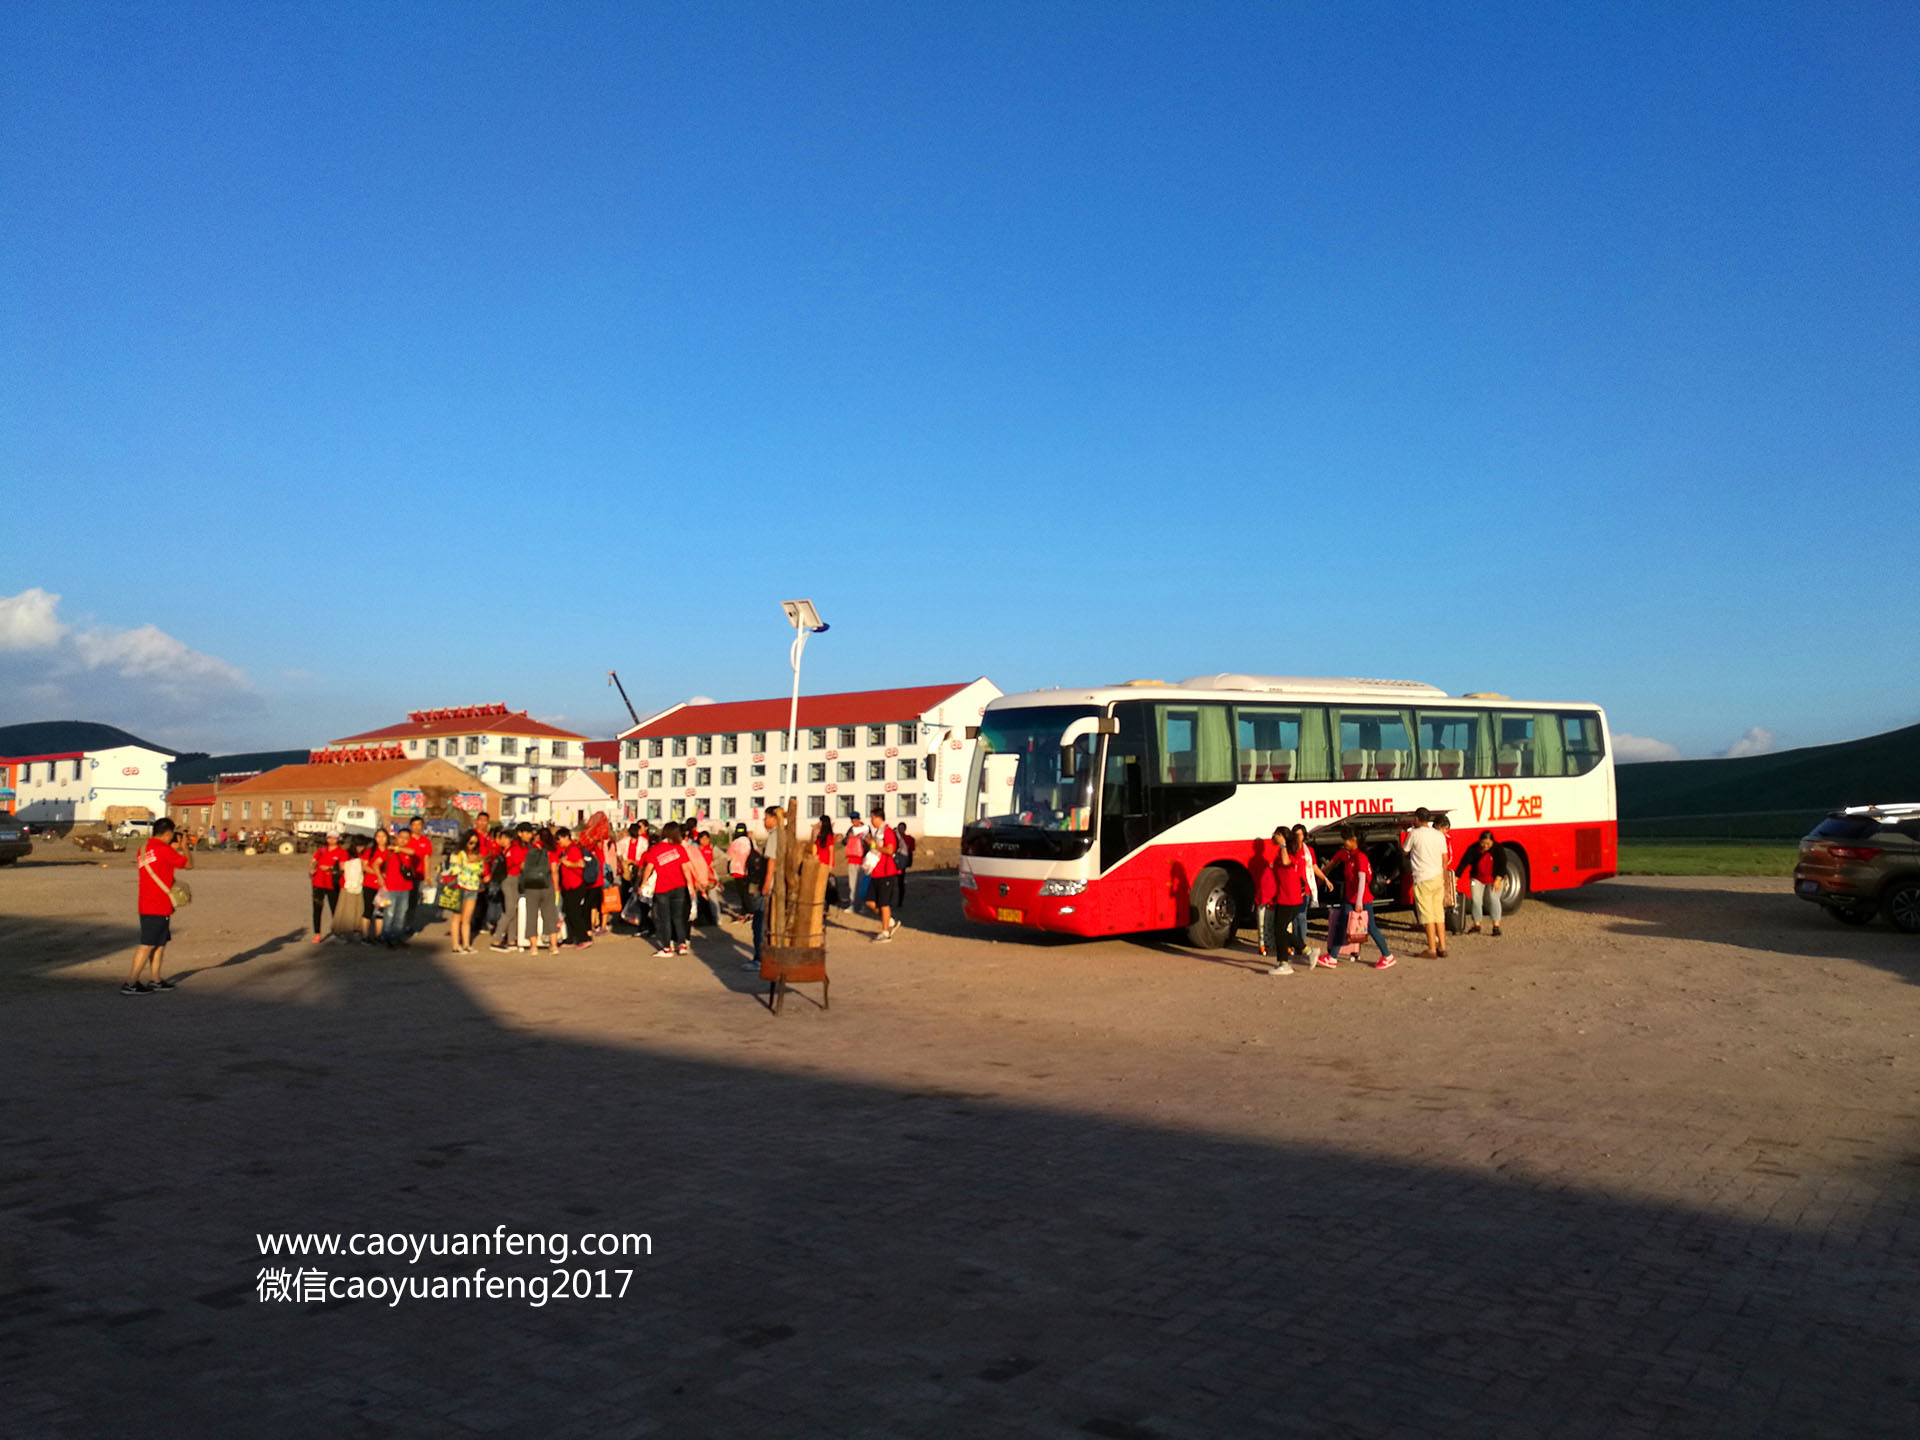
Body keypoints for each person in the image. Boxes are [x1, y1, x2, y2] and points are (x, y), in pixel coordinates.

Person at [124, 817, 192, 993]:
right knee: (147, 944)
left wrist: (171, 848)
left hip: (146, 901)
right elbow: (188, 864)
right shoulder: (164, 850)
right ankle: (131, 982)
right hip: (159, 903)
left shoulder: (143, 849)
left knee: (159, 943)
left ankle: (156, 978)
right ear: (168, 834)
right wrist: (184, 848)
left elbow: (159, 863)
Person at [1317, 827, 1395, 970]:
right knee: (1341, 924)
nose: (1344, 842)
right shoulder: (1345, 855)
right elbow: (1329, 866)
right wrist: (1319, 879)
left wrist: (1359, 902)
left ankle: (1387, 956)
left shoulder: (1360, 857)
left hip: (1362, 899)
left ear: (1354, 841)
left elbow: (1362, 880)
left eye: (1346, 840)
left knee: (1370, 927)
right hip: (1350, 897)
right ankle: (1332, 957)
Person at [1268, 830, 1328, 975]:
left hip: (1290, 898)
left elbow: (1286, 862)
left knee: (1280, 930)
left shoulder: (1291, 853)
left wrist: (1282, 845)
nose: (1273, 836)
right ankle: (1300, 954)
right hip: (1284, 896)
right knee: (1279, 930)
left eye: (1277, 834)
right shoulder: (1283, 852)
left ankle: (1287, 962)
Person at [639, 821, 694, 957]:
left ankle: (667, 948)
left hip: (663, 888)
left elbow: (649, 868)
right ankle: (681, 945)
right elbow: (686, 869)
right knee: (678, 917)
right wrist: (690, 886)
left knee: (665, 919)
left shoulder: (656, 849)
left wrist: (643, 884)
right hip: (679, 886)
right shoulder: (679, 849)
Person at [1402, 807, 1451, 960]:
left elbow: (1404, 851)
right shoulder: (1438, 835)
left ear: (1416, 819)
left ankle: (1431, 949)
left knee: (1427, 914)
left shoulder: (1414, 834)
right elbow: (1444, 859)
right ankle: (1442, 947)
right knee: (1439, 913)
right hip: (1437, 877)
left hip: (1423, 878)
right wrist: (1444, 879)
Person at [747, 807, 781, 969]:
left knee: (760, 922)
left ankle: (760, 958)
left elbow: (772, 861)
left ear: (774, 818)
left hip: (770, 885)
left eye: (766, 817)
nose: (764, 821)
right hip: (778, 885)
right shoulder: (782, 834)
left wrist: (766, 884)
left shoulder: (775, 835)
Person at [516, 826, 561, 952]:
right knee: (550, 915)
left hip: (531, 886)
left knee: (532, 915)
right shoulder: (551, 850)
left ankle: (533, 947)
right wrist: (556, 888)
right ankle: (553, 946)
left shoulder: (530, 848)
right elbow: (554, 870)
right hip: (548, 885)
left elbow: (522, 866)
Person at [1456, 830, 1507, 936]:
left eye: (1488, 844)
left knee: (1493, 899)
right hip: (1477, 878)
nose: (1485, 846)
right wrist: (1457, 876)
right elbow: (1464, 862)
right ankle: (1476, 924)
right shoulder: (1473, 849)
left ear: (1492, 842)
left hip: (1494, 878)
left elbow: (1503, 865)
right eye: (1483, 843)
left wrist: (1498, 879)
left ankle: (1496, 925)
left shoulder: (1498, 849)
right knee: (1476, 900)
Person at [370, 828, 413, 948]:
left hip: (405, 888)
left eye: (406, 838)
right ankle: (387, 937)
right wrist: (379, 877)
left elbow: (413, 852)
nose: (403, 840)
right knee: (389, 913)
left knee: (401, 914)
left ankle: (397, 936)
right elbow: (375, 864)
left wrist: (397, 849)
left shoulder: (404, 852)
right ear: (396, 838)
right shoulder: (388, 852)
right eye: (401, 837)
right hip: (391, 888)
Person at [491, 822, 531, 949]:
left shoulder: (517, 848)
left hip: (514, 879)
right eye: (527, 833)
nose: (530, 835)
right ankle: (497, 938)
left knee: (514, 909)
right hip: (509, 880)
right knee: (509, 910)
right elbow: (521, 864)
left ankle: (511, 939)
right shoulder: (513, 849)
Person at [865, 808, 902, 942]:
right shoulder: (877, 833)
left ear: (878, 817)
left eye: (872, 818)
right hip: (875, 871)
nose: (871, 821)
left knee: (884, 902)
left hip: (886, 872)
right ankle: (889, 919)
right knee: (870, 902)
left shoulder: (887, 832)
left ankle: (885, 932)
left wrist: (873, 845)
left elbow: (889, 850)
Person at [555, 825, 594, 949]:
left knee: (574, 912)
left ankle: (584, 937)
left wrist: (568, 863)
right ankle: (571, 938)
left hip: (576, 885)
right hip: (568, 885)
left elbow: (581, 864)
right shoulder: (566, 850)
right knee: (568, 911)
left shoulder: (573, 850)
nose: (558, 841)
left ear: (566, 837)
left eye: (559, 839)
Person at [447, 831, 485, 953]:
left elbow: (481, 870)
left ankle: (466, 944)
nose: (472, 845)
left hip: (473, 887)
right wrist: (467, 862)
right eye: (470, 843)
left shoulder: (477, 855)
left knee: (467, 918)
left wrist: (478, 861)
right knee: (457, 917)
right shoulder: (458, 854)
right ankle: (455, 945)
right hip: (460, 887)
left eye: (475, 843)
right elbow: (453, 870)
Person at [308, 831, 345, 943]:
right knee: (317, 908)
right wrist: (312, 868)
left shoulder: (341, 852)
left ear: (338, 839)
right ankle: (317, 933)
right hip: (318, 882)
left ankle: (337, 933)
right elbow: (313, 861)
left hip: (332, 883)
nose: (332, 840)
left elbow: (342, 867)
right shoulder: (322, 850)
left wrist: (329, 868)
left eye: (334, 838)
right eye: (329, 838)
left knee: (335, 909)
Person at [402, 817, 436, 937]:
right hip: (403, 876)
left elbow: (426, 859)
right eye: (414, 825)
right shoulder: (405, 839)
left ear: (422, 826)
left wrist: (427, 876)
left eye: (419, 825)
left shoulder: (425, 841)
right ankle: (398, 924)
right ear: (411, 825)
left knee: (413, 902)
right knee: (402, 901)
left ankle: (408, 925)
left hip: (418, 875)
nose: (417, 827)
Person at [333, 837, 368, 941]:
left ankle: (356, 929)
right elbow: (342, 866)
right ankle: (340, 931)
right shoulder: (346, 853)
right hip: (347, 885)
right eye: (358, 846)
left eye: (362, 846)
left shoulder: (362, 854)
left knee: (358, 908)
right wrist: (357, 863)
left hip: (359, 884)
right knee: (345, 909)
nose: (360, 848)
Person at [727, 823, 754, 919]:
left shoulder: (735, 842)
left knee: (742, 893)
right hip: (749, 870)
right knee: (746, 890)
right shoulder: (750, 841)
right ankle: (744, 911)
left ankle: (750, 911)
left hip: (737, 869)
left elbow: (729, 856)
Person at [843, 820, 867, 914]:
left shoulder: (865, 831)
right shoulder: (851, 830)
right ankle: (852, 903)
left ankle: (862, 905)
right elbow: (844, 842)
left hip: (862, 860)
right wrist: (848, 838)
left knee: (861, 885)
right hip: (852, 859)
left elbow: (869, 844)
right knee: (852, 884)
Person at [893, 822, 915, 916]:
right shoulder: (894, 838)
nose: (900, 830)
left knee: (900, 882)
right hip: (894, 860)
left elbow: (911, 850)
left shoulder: (909, 838)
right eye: (899, 828)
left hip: (902, 862)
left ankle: (900, 901)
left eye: (902, 828)